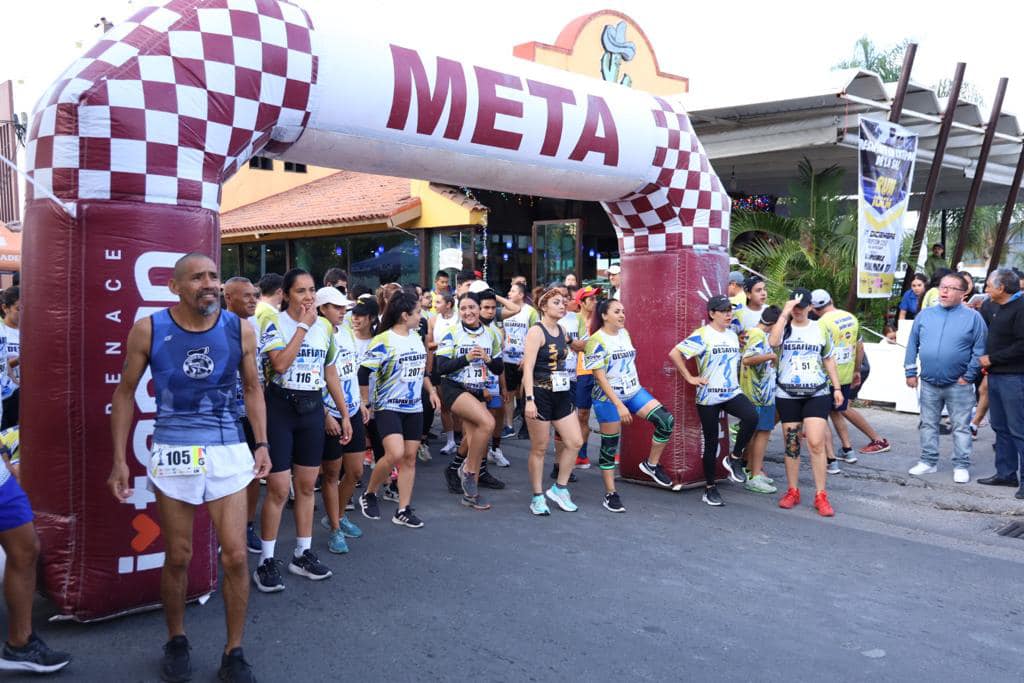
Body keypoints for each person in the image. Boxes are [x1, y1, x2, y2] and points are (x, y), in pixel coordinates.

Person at [108, 253, 269, 681]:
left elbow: (252, 388)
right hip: (174, 447)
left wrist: (263, 443)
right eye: (198, 278)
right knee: (178, 555)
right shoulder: (150, 328)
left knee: (235, 555)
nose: (209, 284)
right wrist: (120, 460)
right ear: (175, 287)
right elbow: (124, 394)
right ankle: (176, 639)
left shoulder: (240, 328)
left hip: (227, 446)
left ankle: (234, 651)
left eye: (213, 276)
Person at [253, 269, 352, 592]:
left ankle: (302, 553)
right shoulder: (273, 322)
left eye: (311, 290)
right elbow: (279, 365)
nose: (308, 297)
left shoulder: (325, 327)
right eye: (300, 291)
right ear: (285, 294)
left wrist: (345, 413)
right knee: (280, 489)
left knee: (308, 486)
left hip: (312, 408)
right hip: (280, 407)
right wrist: (302, 327)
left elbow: (331, 372)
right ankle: (266, 560)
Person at [358, 290, 441, 527]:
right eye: (417, 312)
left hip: (413, 407)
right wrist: (365, 402)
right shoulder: (384, 340)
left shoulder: (416, 336)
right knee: (394, 453)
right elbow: (363, 372)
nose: (421, 315)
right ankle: (370, 493)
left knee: (409, 459)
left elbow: (422, 371)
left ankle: (403, 509)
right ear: (405, 315)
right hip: (388, 406)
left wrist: (432, 391)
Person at [585, 299, 675, 511]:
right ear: (604, 315)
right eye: (617, 312)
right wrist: (619, 405)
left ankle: (651, 465)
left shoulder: (624, 334)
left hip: (633, 391)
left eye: (623, 311)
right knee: (609, 445)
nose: (622, 315)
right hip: (608, 399)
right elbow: (599, 378)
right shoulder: (595, 341)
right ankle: (610, 493)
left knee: (666, 420)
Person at [669, 295, 756, 506]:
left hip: (731, 392)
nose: (729, 314)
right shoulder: (703, 335)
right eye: (724, 310)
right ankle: (710, 488)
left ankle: (734, 458)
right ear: (712, 313)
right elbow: (674, 353)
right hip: (709, 396)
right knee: (710, 442)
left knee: (752, 416)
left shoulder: (732, 335)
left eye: (730, 310)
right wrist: (690, 378)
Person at [903, 273, 986, 483]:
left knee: (960, 426)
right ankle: (928, 461)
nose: (944, 291)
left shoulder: (974, 318)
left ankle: (961, 464)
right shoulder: (925, 315)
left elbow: (980, 350)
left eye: (950, 288)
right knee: (928, 423)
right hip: (929, 382)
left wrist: (968, 376)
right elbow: (912, 344)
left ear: (963, 293)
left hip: (959, 383)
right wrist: (910, 372)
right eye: (942, 287)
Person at [769, 288, 844, 517]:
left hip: (816, 393)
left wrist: (837, 387)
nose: (799, 311)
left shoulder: (820, 329)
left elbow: (828, 358)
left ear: (810, 307)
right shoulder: (785, 328)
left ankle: (821, 494)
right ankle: (793, 490)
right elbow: (772, 342)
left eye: (803, 307)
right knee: (792, 445)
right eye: (796, 306)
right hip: (788, 393)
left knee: (815, 442)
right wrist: (784, 314)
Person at [434, 292, 504, 510]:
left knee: (475, 438)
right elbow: (441, 367)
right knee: (487, 424)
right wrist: (466, 358)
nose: (468, 312)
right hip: (453, 388)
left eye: (472, 307)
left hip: (477, 389)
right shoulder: (452, 333)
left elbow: (499, 368)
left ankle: (461, 479)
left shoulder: (491, 334)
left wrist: (487, 358)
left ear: (479, 308)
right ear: (458, 311)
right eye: (463, 308)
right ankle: (470, 473)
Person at [313, 286, 368, 555]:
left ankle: (338, 516)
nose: (343, 311)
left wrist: (360, 403)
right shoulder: (315, 334)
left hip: (352, 410)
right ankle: (334, 528)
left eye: (344, 306)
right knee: (332, 474)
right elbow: (313, 380)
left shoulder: (345, 331)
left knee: (356, 470)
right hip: (327, 413)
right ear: (321, 308)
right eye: (336, 307)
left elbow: (351, 372)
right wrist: (325, 415)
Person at [522, 289, 585, 515]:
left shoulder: (562, 330)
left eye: (563, 302)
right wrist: (529, 400)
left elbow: (575, 346)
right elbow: (527, 367)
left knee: (575, 441)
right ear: (544, 306)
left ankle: (560, 488)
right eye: (556, 302)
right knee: (540, 448)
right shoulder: (535, 332)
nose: (562, 305)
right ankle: (537, 496)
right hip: (539, 394)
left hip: (561, 391)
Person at [810, 290, 890, 467]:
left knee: (822, 415)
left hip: (829, 376)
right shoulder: (850, 318)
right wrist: (856, 371)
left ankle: (831, 460)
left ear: (814, 309)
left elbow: (820, 351)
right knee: (838, 410)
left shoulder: (821, 324)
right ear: (831, 300)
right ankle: (848, 450)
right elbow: (859, 347)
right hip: (846, 373)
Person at [222, 277, 263, 554]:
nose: (252, 300)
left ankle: (247, 525)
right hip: (223, 416)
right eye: (246, 296)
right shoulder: (215, 327)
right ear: (228, 298)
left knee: (252, 474)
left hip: (249, 412)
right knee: (224, 477)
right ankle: (219, 531)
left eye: (254, 295)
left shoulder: (255, 326)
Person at [976, 268, 1024, 496]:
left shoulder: (1021, 308)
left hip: (1014, 377)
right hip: (995, 375)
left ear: (1001, 287)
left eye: (988, 285)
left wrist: (992, 358)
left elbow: (1022, 346)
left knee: (1019, 429)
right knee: (1000, 427)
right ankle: (1005, 474)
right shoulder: (992, 306)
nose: (985, 289)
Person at [740, 305, 781, 494]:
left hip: (760, 393)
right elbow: (748, 359)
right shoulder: (757, 334)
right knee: (762, 433)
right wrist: (770, 355)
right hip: (758, 395)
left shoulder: (755, 333)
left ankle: (751, 469)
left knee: (758, 433)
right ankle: (755, 475)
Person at [501, 282, 538, 438]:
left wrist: (527, 357)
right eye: (509, 290)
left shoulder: (530, 312)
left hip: (524, 359)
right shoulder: (504, 311)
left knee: (524, 393)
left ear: (521, 295)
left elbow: (534, 334)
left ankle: (526, 425)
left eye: (513, 290)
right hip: (507, 358)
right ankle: (509, 426)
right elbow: (502, 330)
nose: (509, 293)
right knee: (508, 394)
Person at [570, 286, 600, 469]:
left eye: (596, 299)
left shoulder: (601, 320)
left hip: (600, 372)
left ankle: (610, 454)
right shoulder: (573, 322)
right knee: (582, 414)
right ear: (581, 302)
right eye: (591, 299)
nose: (595, 302)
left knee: (608, 414)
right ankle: (581, 454)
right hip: (581, 373)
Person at [0, 287, 19, 430]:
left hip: (18, 394)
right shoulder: (2, 331)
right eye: (19, 309)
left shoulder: (30, 330)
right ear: (5, 308)